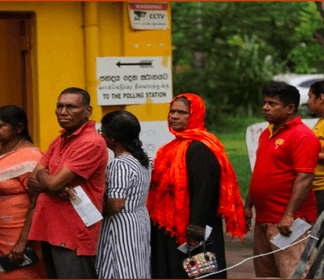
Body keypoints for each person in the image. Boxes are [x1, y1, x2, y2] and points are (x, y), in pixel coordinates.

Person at [147, 93, 246, 279]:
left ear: (196, 114)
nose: (174, 116)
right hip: (172, 225)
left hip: (194, 228)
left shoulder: (201, 148)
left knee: (198, 273)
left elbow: (204, 192)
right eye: (172, 111)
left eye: (182, 112)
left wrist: (195, 229)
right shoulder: (173, 147)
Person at [27, 87, 108, 279]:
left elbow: (51, 182)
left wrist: (49, 181)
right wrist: (54, 185)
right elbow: (31, 179)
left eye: (71, 107)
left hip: (74, 232)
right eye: (60, 106)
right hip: (51, 228)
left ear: (88, 111)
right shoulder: (60, 139)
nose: (63, 112)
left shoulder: (91, 142)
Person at [245, 82, 321, 278]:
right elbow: (259, 173)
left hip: (288, 222)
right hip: (264, 219)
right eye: (265, 103)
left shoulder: (302, 135)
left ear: (290, 108)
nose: (265, 107)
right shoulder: (266, 133)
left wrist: (288, 215)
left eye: (272, 104)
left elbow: (304, 177)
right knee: (267, 274)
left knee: (295, 274)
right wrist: (248, 206)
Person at [0, 105, 46, 278]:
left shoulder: (31, 157)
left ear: (19, 128)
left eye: (0, 125)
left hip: (19, 237)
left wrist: (21, 243)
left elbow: (38, 203)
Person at [95, 110, 151, 279]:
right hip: (138, 220)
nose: (100, 135)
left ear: (113, 137)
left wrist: (95, 214)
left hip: (121, 225)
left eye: (102, 132)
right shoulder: (141, 160)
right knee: (136, 268)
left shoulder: (120, 164)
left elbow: (116, 204)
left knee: (120, 267)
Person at [307, 80, 324, 218]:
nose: (308, 101)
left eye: (310, 97)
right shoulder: (320, 121)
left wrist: (306, 154)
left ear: (321, 98)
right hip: (315, 187)